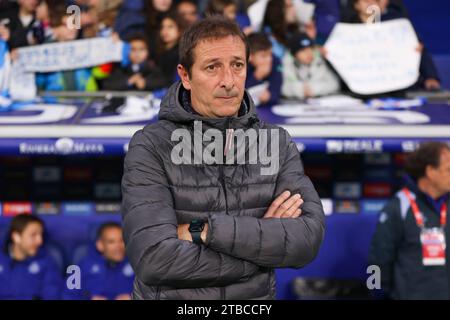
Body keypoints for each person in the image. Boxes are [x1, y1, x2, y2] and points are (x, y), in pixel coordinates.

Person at [122, 16, 325, 300]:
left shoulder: (276, 142)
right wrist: (262, 249)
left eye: (237, 65)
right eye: (212, 67)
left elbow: (306, 240)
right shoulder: (150, 146)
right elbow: (155, 259)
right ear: (185, 76)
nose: (228, 81)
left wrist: (203, 231)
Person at [369, 142, 450, 299]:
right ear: (430, 172)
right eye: (448, 170)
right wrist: (376, 293)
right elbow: (377, 261)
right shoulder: (398, 207)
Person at [342, 0, 441, 91]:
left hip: (395, 86)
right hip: (358, 87)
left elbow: (421, 51)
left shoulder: (397, 25)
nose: (371, 4)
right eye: (366, 1)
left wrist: (430, 77)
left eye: (376, 0)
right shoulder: (345, 28)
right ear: (356, 5)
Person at [63, 222, 134, 300]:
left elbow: (147, 293)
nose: (118, 246)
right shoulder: (81, 267)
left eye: (121, 240)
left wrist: (133, 297)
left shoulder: (136, 266)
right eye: (111, 242)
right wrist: (89, 298)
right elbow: (68, 295)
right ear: (100, 245)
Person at [0, 214, 62, 300]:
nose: (40, 241)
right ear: (16, 237)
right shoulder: (2, 260)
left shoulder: (46, 263)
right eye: (33, 235)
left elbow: (52, 294)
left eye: (41, 235)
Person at [282, 32, 340, 99]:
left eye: (311, 48)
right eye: (303, 50)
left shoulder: (319, 61)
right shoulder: (287, 64)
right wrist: (301, 90)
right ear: (294, 54)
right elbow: (281, 86)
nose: (308, 53)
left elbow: (334, 84)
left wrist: (313, 89)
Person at [102, 34, 168, 91]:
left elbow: (164, 82)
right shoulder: (120, 69)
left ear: (148, 52)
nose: (137, 53)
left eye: (141, 49)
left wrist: (146, 83)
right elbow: (107, 84)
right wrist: (128, 81)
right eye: (133, 49)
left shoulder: (153, 69)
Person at [245, 32, 282, 107]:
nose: (269, 59)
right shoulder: (242, 64)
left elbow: (277, 90)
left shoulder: (275, 61)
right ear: (250, 56)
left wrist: (270, 97)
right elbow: (240, 93)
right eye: (263, 56)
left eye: (270, 54)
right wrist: (256, 77)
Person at [155, 12, 184, 85]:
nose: (165, 31)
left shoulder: (182, 54)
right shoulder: (159, 53)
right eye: (162, 27)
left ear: (179, 30)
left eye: (170, 27)